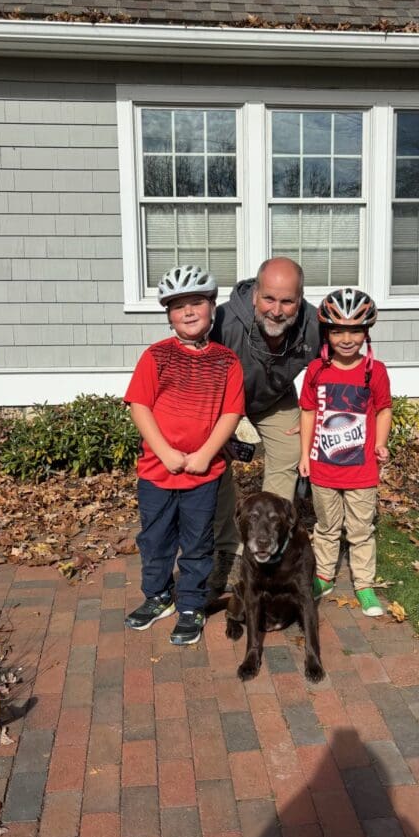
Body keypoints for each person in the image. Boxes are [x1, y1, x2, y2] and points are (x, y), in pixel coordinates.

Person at [123, 265, 245, 645]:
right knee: (155, 540)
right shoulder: (156, 356)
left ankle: (191, 603)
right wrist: (166, 452)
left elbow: (231, 412)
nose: (188, 312)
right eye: (178, 307)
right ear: (169, 315)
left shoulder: (227, 361)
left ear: (211, 307)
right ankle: (159, 597)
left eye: (196, 303)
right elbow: (139, 406)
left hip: (203, 474)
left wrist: (206, 454)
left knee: (197, 542)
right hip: (157, 472)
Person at [207, 256, 321, 602]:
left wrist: (310, 419)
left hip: (274, 397)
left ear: (300, 300)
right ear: (255, 294)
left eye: (287, 301)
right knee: (213, 461)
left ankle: (272, 543)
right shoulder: (223, 321)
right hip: (222, 400)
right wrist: (218, 432)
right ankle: (226, 549)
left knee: (289, 452)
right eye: (269, 298)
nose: (277, 310)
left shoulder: (315, 326)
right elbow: (202, 376)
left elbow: (332, 372)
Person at [298, 287, 392, 617]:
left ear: (365, 333)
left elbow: (383, 409)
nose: (347, 338)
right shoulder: (316, 371)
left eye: (355, 330)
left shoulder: (374, 371)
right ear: (327, 333)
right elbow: (308, 411)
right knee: (326, 526)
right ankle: (324, 575)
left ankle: (364, 584)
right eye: (338, 330)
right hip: (324, 466)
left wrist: (381, 443)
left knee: (361, 529)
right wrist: (304, 455)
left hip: (361, 469)